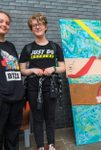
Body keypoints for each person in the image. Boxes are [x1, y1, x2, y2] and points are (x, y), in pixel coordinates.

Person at [19, 13, 66, 150]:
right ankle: (40, 146)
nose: (37, 26)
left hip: (51, 87)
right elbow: (22, 70)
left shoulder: (55, 47)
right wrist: (32, 70)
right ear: (31, 29)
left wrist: (53, 68)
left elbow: (63, 68)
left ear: (45, 26)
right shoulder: (27, 48)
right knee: (37, 118)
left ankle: (51, 144)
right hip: (33, 88)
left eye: (40, 23)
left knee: (50, 117)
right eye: (34, 25)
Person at [0, 10, 24, 150]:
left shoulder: (11, 46)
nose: (4, 25)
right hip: (2, 100)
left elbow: (15, 70)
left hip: (16, 99)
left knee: (13, 136)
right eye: (1, 21)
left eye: (7, 23)